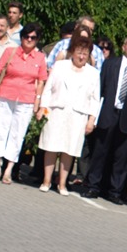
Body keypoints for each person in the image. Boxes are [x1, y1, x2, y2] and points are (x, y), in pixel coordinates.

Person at [84, 36, 127, 203]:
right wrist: (94, 116)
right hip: (108, 113)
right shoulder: (110, 64)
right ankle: (93, 186)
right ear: (123, 47)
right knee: (100, 152)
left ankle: (115, 191)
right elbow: (100, 90)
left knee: (121, 157)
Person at [36, 27, 100, 195]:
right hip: (56, 111)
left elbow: (95, 99)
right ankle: (46, 180)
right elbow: (48, 89)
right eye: (79, 52)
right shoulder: (60, 66)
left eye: (85, 54)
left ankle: (62, 183)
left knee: (69, 149)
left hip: (78, 115)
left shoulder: (93, 73)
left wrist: (91, 120)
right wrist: (43, 108)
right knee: (51, 146)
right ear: (72, 51)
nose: (81, 56)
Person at [0, 23, 47, 184]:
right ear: (21, 37)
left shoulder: (40, 58)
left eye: (33, 37)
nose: (29, 40)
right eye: (26, 36)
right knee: (0, 130)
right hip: (5, 96)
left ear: (37, 40)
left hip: (26, 100)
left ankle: (8, 170)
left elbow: (41, 81)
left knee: (17, 134)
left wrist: (37, 102)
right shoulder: (10, 51)